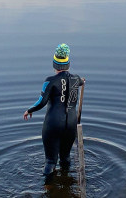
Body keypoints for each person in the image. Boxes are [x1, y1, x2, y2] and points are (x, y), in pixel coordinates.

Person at [23, 43, 85, 176]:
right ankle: (66, 184)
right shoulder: (76, 79)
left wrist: (30, 110)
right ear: (68, 64)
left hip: (54, 123)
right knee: (65, 158)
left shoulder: (50, 81)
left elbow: (42, 102)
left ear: (54, 64)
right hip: (70, 123)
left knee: (51, 161)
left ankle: (48, 188)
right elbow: (81, 81)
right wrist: (82, 81)